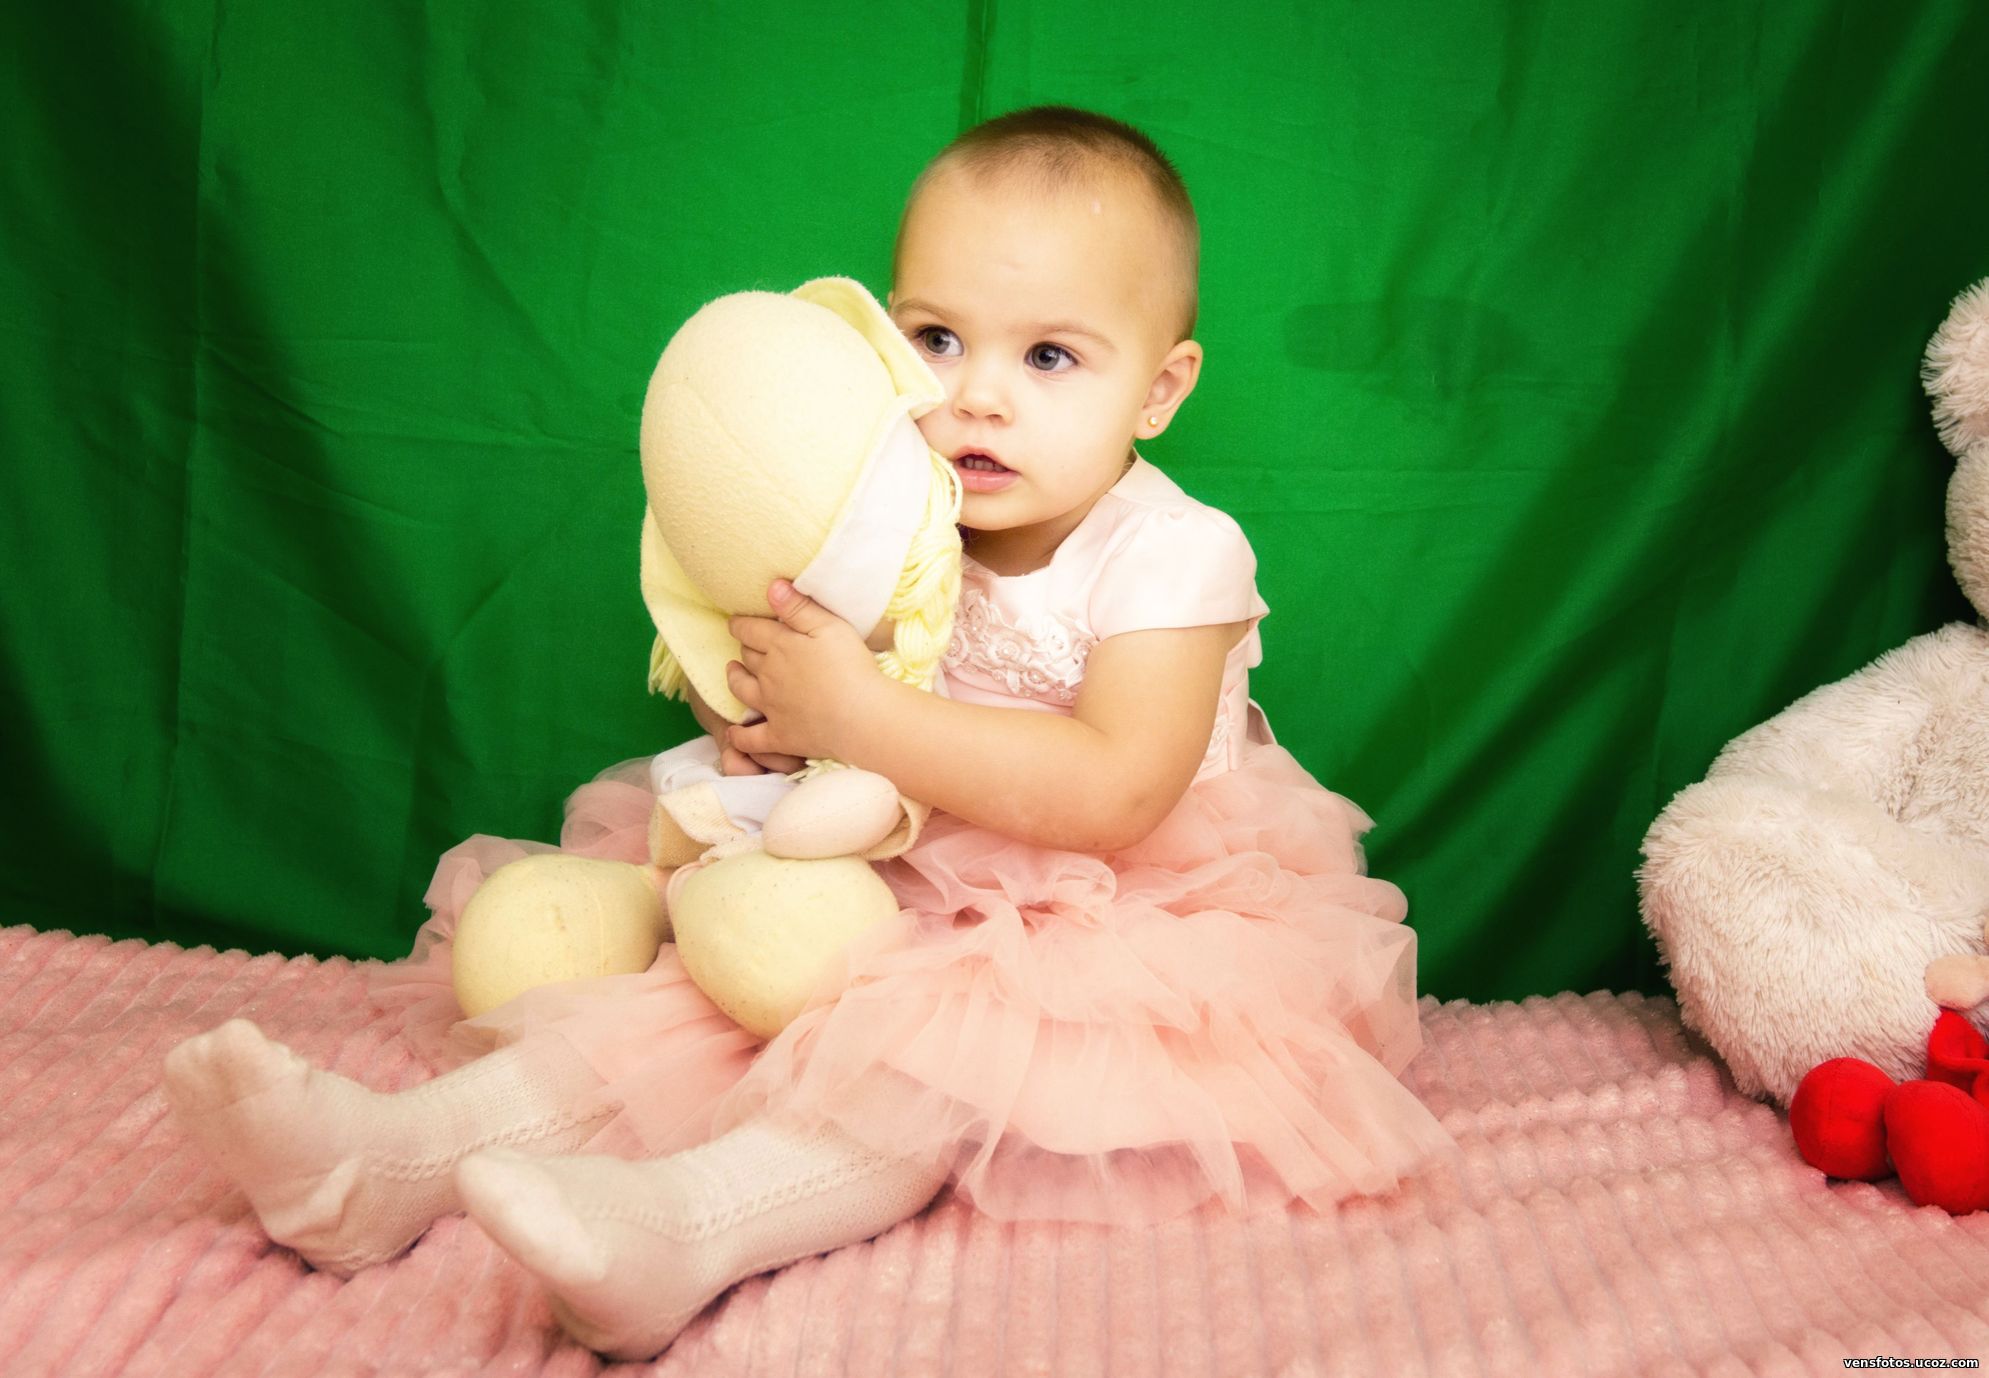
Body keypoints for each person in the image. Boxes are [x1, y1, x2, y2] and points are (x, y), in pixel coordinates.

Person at [162, 105, 1456, 1360]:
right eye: (936, 339)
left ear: (1160, 389)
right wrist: (767, 729)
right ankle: (386, 1158)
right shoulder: (891, 513)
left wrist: (866, 717)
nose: (977, 397)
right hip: (883, 865)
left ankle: (684, 1230)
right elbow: (793, 692)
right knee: (676, 1005)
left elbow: (1117, 789)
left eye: (1050, 357)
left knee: (919, 1065)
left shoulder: (1173, 553)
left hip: (1115, 916)